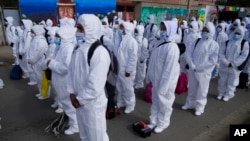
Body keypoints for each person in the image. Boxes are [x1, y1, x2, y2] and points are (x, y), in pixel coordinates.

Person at [67, 14, 110, 141]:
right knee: (84, 135)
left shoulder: (99, 52)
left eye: (81, 29)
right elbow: (71, 71)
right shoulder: (78, 48)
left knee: (97, 137)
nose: (77, 32)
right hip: (79, 102)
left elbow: (95, 86)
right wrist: (71, 92)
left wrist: (79, 99)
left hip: (92, 105)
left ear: (90, 29)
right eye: (77, 28)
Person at [146, 20, 180, 133]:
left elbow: (169, 69)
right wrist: (149, 76)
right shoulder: (159, 43)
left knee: (165, 103)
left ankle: (163, 123)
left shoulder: (172, 47)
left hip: (166, 82)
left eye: (164, 29)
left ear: (170, 30)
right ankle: (153, 121)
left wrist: (164, 86)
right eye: (161, 29)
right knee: (155, 101)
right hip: (156, 79)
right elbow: (152, 61)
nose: (162, 31)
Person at [46, 25, 79, 135]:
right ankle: (72, 121)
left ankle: (76, 126)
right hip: (59, 80)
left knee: (68, 104)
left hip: (64, 81)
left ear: (64, 37)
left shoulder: (68, 48)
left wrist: (51, 63)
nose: (55, 37)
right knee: (66, 104)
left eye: (57, 36)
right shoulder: (61, 47)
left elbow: (65, 67)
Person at [182, 22, 219, 116]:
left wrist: (200, 67)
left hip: (204, 72)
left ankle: (199, 107)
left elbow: (213, 61)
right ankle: (190, 103)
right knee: (192, 88)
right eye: (204, 30)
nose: (204, 32)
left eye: (207, 31)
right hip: (193, 69)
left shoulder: (214, 45)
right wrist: (191, 64)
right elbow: (189, 52)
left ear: (211, 32)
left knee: (202, 91)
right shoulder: (197, 41)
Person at [218, 27, 249, 101]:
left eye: (239, 34)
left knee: (231, 82)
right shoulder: (228, 42)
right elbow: (221, 52)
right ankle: (221, 93)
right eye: (236, 33)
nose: (236, 35)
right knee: (222, 80)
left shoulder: (244, 43)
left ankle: (228, 94)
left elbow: (243, 56)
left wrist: (233, 63)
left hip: (234, 67)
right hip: (225, 65)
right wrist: (226, 62)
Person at [116, 21, 138, 114]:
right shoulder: (121, 39)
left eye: (122, 28)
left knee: (128, 88)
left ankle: (130, 104)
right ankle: (121, 101)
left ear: (127, 29)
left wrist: (129, 69)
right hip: (119, 68)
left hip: (126, 70)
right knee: (120, 86)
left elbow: (133, 57)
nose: (120, 30)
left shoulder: (132, 41)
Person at [27, 25, 48, 99]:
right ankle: (41, 92)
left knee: (42, 79)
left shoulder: (41, 40)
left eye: (32, 31)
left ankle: (45, 94)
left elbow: (39, 53)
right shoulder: (34, 39)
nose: (31, 33)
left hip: (39, 63)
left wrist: (32, 60)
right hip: (35, 63)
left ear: (37, 31)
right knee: (38, 79)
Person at [19, 19, 37, 85]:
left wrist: (22, 51)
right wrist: (21, 51)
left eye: (22, 24)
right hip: (24, 52)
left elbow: (27, 44)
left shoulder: (29, 33)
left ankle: (34, 80)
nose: (21, 25)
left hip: (28, 52)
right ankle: (28, 75)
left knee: (30, 66)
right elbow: (22, 42)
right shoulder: (24, 32)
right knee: (25, 64)